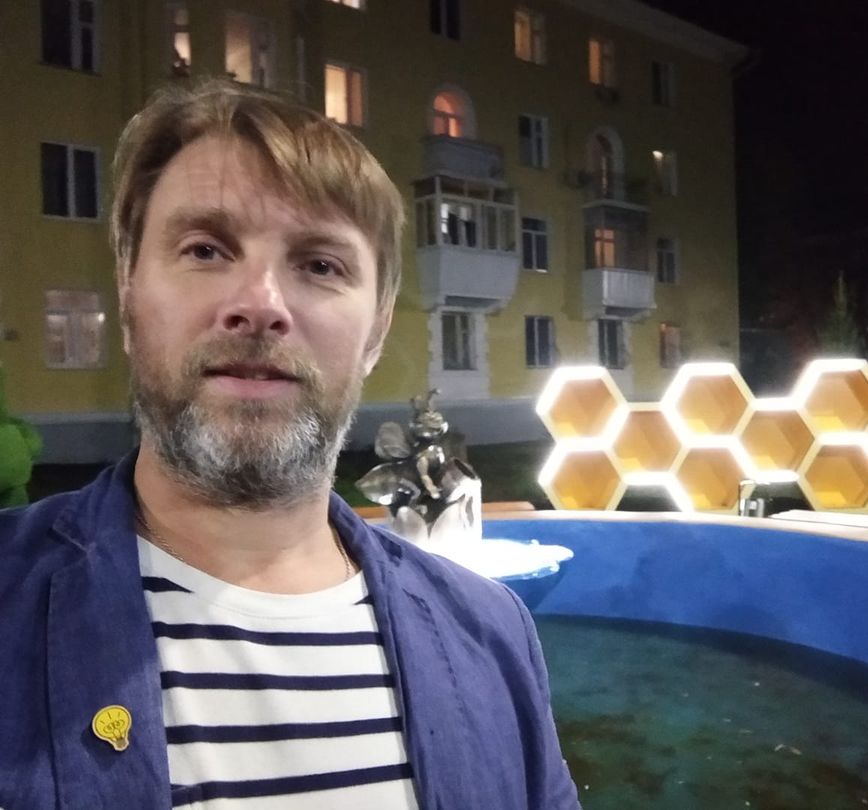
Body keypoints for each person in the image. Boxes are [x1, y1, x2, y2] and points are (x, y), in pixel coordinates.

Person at [0, 80, 580, 810]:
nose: (260, 305)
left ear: (376, 331)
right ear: (128, 295)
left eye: (320, 265)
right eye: (206, 249)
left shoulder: (493, 636)